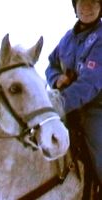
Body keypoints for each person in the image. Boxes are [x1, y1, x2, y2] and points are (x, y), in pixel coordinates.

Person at [45, 0, 102, 198]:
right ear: (75, 6)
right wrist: (56, 79)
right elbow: (50, 65)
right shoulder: (67, 39)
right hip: (65, 106)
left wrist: (60, 103)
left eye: (93, 2)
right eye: (82, 2)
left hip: (95, 109)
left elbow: (90, 83)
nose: (87, 7)